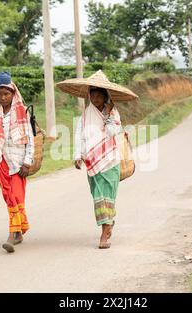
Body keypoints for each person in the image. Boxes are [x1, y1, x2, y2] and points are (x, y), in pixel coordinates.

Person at [0, 71, 34, 253]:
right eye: (0, 94)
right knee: (8, 197)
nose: (3, 97)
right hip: (1, 162)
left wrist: (27, 162)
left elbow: (30, 140)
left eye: (6, 94)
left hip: (18, 164)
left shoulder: (22, 112)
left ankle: (12, 234)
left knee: (15, 197)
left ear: (13, 93)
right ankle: (19, 230)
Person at [74, 86, 122, 249]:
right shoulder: (86, 116)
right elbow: (79, 135)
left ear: (105, 97)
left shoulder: (113, 113)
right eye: (93, 96)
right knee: (98, 198)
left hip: (110, 162)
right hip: (92, 163)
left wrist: (107, 115)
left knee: (106, 198)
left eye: (99, 96)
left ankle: (104, 235)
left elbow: (112, 132)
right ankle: (109, 222)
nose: (95, 99)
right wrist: (77, 155)